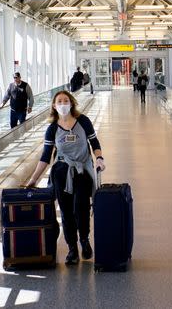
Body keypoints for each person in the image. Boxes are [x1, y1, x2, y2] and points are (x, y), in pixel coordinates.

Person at [25, 90, 106, 265]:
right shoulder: (52, 128)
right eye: (59, 101)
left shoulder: (83, 121)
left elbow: (94, 143)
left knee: (81, 207)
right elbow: (46, 157)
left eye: (66, 100)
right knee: (66, 211)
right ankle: (72, 249)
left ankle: (84, 240)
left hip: (82, 170)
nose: (63, 104)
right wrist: (33, 179)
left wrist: (99, 158)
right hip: (61, 172)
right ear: (54, 106)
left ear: (71, 103)